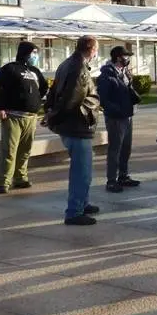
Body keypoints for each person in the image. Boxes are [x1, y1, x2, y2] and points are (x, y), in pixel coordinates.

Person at [46, 35, 101, 226]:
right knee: (82, 172)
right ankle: (74, 211)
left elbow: (53, 93)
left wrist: (51, 115)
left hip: (70, 126)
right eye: (96, 49)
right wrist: (55, 117)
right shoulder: (79, 68)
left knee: (82, 169)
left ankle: (82, 203)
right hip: (77, 126)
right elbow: (72, 100)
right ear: (92, 49)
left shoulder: (67, 64)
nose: (96, 53)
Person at [0, 40, 48, 194]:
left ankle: (20, 178)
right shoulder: (10, 69)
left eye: (36, 53)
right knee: (9, 150)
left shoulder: (35, 71)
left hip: (31, 117)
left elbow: (43, 87)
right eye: (33, 53)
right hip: (13, 116)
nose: (35, 56)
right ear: (25, 53)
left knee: (25, 150)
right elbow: (1, 89)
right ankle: (4, 182)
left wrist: (36, 100)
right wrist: (0, 107)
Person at [98, 45, 141, 193]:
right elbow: (103, 98)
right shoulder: (107, 75)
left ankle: (123, 176)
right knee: (115, 149)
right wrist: (116, 110)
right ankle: (111, 180)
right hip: (116, 117)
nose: (128, 59)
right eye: (126, 56)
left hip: (128, 115)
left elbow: (128, 91)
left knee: (126, 148)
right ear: (118, 57)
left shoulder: (124, 72)